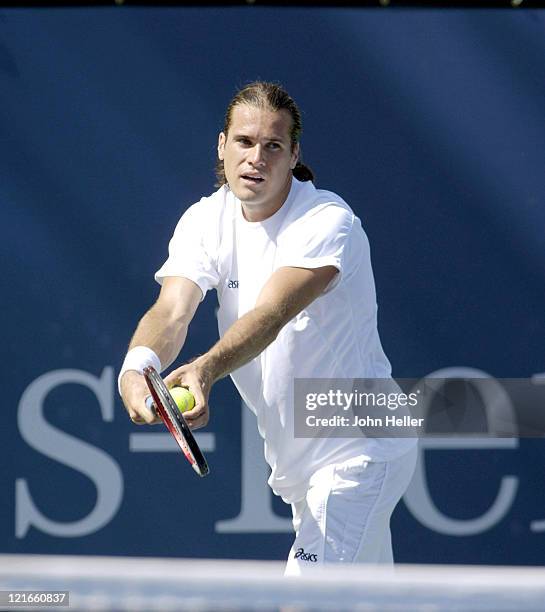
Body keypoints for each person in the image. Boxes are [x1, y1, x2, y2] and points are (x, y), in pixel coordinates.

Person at [119, 81, 417, 575]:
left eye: (272, 146)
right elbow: (172, 311)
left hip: (359, 452)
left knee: (301, 603)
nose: (256, 157)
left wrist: (206, 368)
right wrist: (138, 366)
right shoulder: (204, 220)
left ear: (293, 153)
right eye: (244, 142)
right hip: (303, 469)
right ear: (222, 145)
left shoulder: (327, 222)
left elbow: (271, 314)